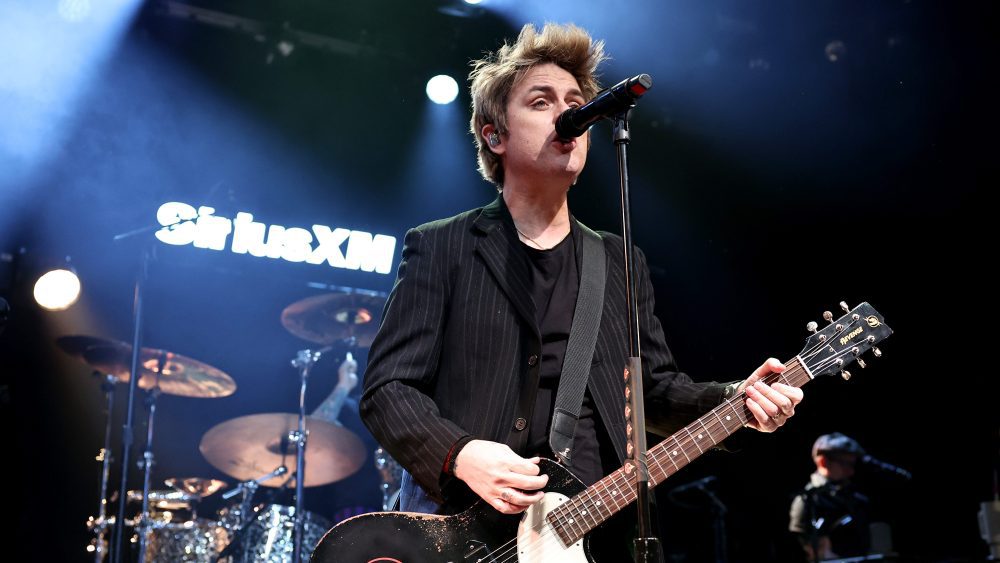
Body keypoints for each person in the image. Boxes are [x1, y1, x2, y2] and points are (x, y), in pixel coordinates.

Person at [358, 22, 804, 556]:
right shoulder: (442, 247)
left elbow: (652, 394)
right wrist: (459, 453)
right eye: (541, 102)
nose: (568, 115)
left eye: (575, 102)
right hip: (467, 533)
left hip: (596, 536)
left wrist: (738, 398)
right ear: (493, 135)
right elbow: (387, 389)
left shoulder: (619, 261)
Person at [789, 432, 873, 561]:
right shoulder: (806, 500)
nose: (851, 471)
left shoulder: (854, 496)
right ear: (823, 462)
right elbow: (800, 550)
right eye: (845, 464)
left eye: (852, 464)